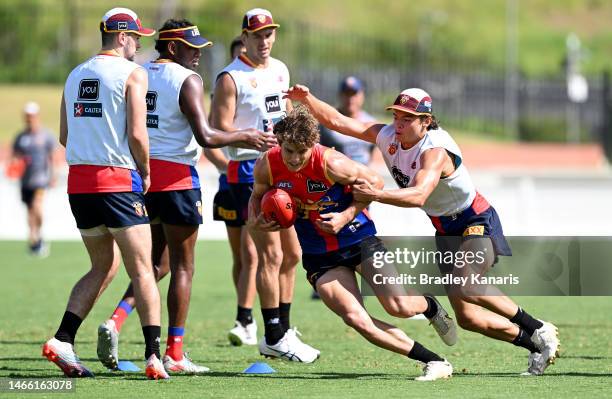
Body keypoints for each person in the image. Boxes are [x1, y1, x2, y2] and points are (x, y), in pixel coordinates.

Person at [285, 84, 561, 376]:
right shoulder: (389, 136)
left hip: (474, 219)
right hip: (445, 230)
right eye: (396, 116)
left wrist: (375, 195)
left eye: (407, 118)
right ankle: (534, 346)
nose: (399, 123)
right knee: (467, 318)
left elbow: (418, 196)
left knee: (466, 284)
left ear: (426, 121)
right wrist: (307, 100)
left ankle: (538, 327)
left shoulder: (435, 151)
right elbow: (339, 122)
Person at [96, 20, 275, 374]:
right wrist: (247, 135)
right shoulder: (186, 80)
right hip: (177, 178)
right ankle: (174, 353)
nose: (198, 54)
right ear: (173, 48)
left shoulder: (137, 71)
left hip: (142, 178)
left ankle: (116, 321)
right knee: (182, 265)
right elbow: (207, 135)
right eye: (192, 48)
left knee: (156, 265)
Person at [248, 106, 454, 379]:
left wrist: (345, 216)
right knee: (358, 320)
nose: (295, 158)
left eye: (302, 151)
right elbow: (256, 196)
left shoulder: (331, 163)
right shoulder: (267, 164)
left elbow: (374, 182)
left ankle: (429, 306)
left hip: (359, 240)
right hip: (319, 255)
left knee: (399, 307)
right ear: (280, 143)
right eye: (289, 151)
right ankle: (435, 362)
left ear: (313, 145)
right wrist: (256, 219)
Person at [42, 7, 168, 380]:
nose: (140, 45)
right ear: (122, 37)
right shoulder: (133, 73)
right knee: (144, 269)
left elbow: (65, 136)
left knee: (102, 265)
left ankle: (63, 339)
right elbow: (137, 134)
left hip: (79, 185)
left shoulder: (74, 73)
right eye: (138, 38)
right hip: (118, 182)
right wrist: (145, 170)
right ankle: (153, 356)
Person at [211, 8, 317, 356]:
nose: (264, 41)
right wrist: (246, 137)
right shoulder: (231, 78)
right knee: (268, 255)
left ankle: (283, 329)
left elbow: (286, 119)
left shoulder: (281, 69)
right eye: (257, 35)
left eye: (269, 34)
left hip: (282, 171)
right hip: (245, 174)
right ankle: (271, 334)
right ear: (244, 37)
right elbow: (215, 130)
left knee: (293, 255)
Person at [205, 36, 255, 345]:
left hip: (253, 179)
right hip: (230, 184)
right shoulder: (223, 88)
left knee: (254, 253)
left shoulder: (261, 85)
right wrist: (227, 167)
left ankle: (246, 318)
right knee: (239, 256)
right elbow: (210, 141)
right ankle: (246, 316)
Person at [10, 102, 57, 257]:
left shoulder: (45, 135)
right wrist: (16, 164)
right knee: (29, 210)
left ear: (37, 116)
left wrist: (53, 175)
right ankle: (34, 239)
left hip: (40, 178)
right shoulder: (21, 137)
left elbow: (52, 157)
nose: (29, 119)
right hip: (25, 180)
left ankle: (40, 234)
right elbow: (15, 156)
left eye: (32, 116)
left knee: (37, 206)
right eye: (27, 116)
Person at [319, 76, 376, 165]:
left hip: (365, 175)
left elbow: (377, 156)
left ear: (362, 95)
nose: (350, 99)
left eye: (354, 94)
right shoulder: (327, 121)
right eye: (346, 94)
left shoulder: (371, 123)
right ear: (340, 95)